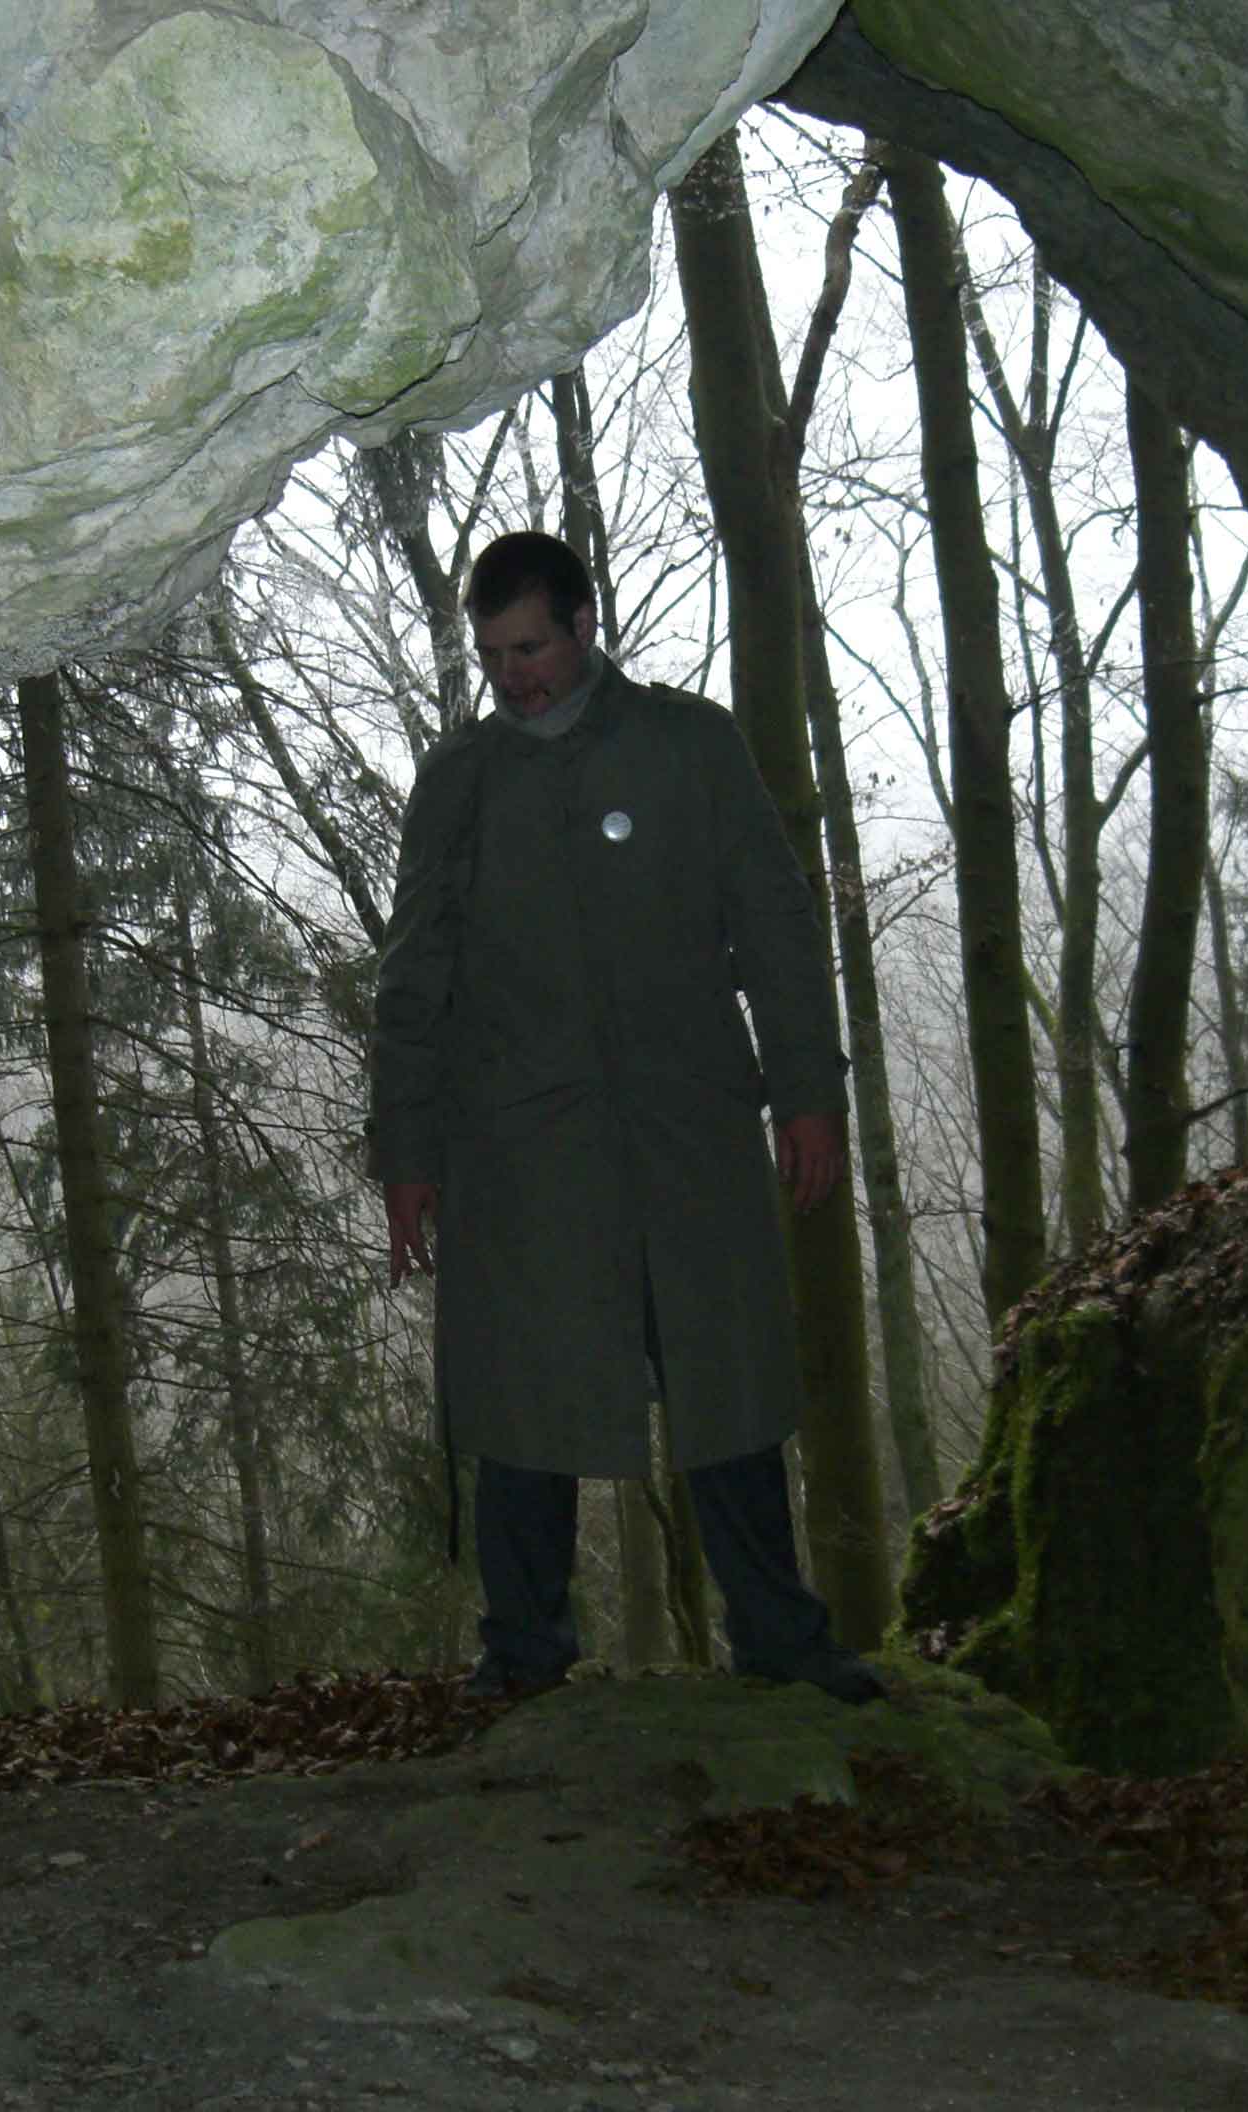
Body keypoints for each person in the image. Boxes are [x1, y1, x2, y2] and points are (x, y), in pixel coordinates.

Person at [367, 529, 886, 1706]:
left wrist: (808, 1092)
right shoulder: (459, 782)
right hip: (518, 1147)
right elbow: (413, 979)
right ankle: (522, 1654)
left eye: (532, 647)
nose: (514, 676)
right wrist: (405, 1152)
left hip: (685, 1127)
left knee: (724, 1385)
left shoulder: (688, 746)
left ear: (582, 625)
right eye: (492, 656)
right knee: (524, 1398)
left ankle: (780, 1637)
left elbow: (774, 927)